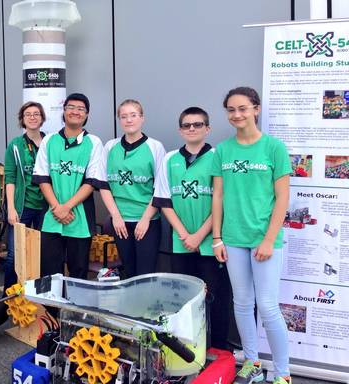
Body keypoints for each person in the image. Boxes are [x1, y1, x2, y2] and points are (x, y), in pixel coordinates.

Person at [212, 87, 292, 384]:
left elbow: (283, 198)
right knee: (242, 303)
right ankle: (252, 362)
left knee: (269, 306)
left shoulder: (274, 148)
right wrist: (217, 238)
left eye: (243, 108)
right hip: (233, 239)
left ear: (256, 109)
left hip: (264, 239)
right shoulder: (222, 150)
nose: (237, 115)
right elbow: (217, 195)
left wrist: (269, 239)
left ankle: (283, 374)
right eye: (231, 109)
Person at [153, 106, 231, 350]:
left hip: (210, 242)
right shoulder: (170, 159)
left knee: (214, 297)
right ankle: (189, 348)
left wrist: (199, 235)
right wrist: (184, 234)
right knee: (183, 299)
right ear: (180, 130)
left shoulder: (218, 157)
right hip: (181, 241)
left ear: (207, 129)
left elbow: (222, 200)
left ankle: (216, 348)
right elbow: (163, 200)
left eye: (197, 124)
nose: (192, 129)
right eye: (187, 125)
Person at [33, 93, 104, 279]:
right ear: (63, 111)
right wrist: (57, 208)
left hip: (80, 220)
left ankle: (74, 309)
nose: (75, 112)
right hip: (51, 217)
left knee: (78, 271)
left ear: (87, 115)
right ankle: (52, 309)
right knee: (49, 272)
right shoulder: (49, 140)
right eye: (71, 107)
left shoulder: (94, 143)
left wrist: (66, 207)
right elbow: (42, 178)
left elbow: (91, 182)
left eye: (81, 109)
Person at [100, 99, 165, 277]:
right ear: (119, 120)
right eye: (124, 116)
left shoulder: (154, 147)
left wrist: (145, 219)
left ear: (142, 118)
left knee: (145, 274)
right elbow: (103, 185)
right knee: (127, 272)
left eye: (133, 115)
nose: (129, 120)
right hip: (119, 221)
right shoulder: (110, 146)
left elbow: (160, 187)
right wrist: (115, 216)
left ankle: (144, 306)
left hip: (147, 221)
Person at [3, 101, 48, 292]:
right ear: (22, 119)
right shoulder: (15, 145)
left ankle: (39, 295)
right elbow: (10, 178)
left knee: (43, 253)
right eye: (28, 114)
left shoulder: (51, 142)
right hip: (23, 206)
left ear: (42, 118)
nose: (32, 117)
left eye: (36, 114)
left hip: (46, 207)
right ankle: (8, 298)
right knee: (15, 254)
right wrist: (11, 208)